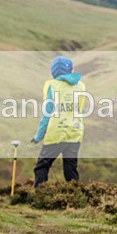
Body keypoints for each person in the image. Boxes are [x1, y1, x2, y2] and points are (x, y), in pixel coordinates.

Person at [31, 55, 86, 187]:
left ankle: (40, 197)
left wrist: (39, 136)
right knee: (70, 170)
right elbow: (80, 109)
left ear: (53, 71)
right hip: (75, 132)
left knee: (41, 167)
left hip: (56, 134)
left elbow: (47, 114)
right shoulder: (80, 86)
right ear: (70, 69)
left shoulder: (52, 86)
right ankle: (75, 198)